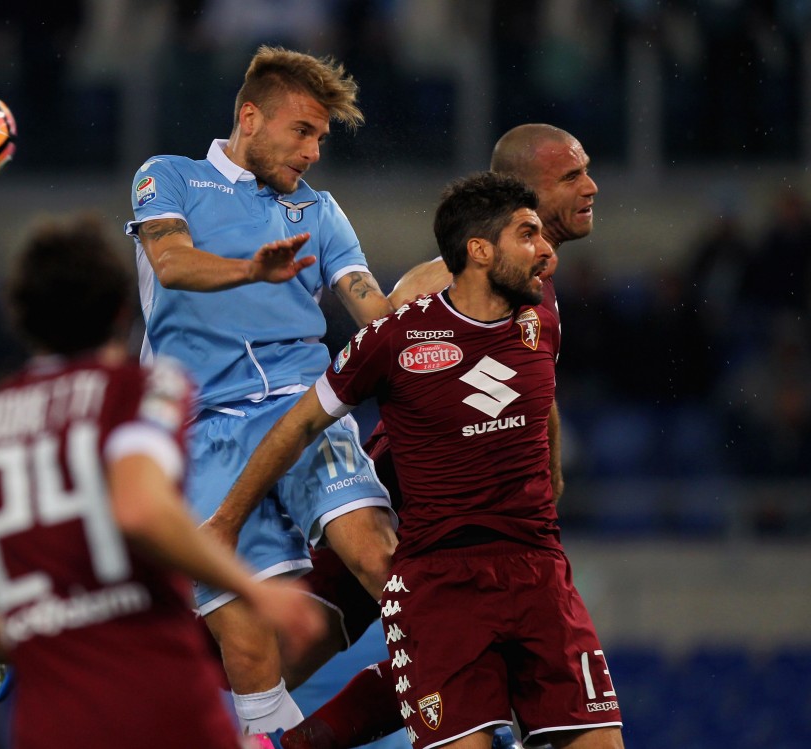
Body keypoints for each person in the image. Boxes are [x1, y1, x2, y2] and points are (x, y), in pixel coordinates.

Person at [211, 172, 625, 749]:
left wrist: (551, 472)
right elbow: (298, 424)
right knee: (289, 646)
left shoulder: (541, 319)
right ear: (479, 251)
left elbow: (541, 393)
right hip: (440, 583)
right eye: (529, 234)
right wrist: (228, 519)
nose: (547, 250)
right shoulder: (396, 335)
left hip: (539, 574)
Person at [0, 213, 325, 748]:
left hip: (49, 725)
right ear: (124, 312)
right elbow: (140, 508)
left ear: (21, 319)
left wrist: (53, 637)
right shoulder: (144, 388)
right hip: (159, 702)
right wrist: (254, 592)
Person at [124, 45, 398, 733]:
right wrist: (250, 269)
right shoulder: (170, 178)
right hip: (201, 426)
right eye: (302, 131)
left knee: (374, 552)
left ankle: (461, 698)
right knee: (249, 640)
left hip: (304, 410)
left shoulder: (320, 210)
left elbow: (372, 308)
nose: (311, 152)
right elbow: (173, 262)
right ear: (251, 117)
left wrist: (445, 316)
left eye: (320, 138)